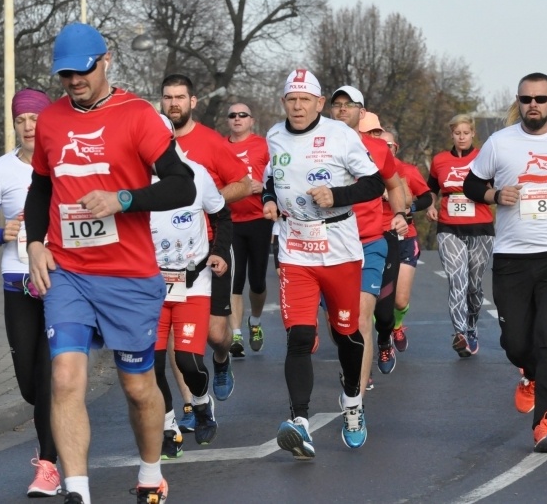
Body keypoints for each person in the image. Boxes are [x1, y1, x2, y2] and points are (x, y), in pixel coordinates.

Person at [24, 22, 196, 504]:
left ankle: (150, 473)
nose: (73, 81)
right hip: (69, 273)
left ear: (106, 61)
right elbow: (40, 187)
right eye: (65, 74)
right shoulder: (51, 120)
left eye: (82, 71)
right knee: (65, 377)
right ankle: (78, 491)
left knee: (138, 388)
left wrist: (123, 199)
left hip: (128, 276)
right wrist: (35, 243)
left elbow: (182, 184)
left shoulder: (138, 115)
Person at [463, 72, 547, 453]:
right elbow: (471, 185)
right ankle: (529, 372)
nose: (533, 105)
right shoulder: (500, 142)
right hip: (511, 256)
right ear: (519, 102)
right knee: (515, 342)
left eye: (541, 99)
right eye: (526, 99)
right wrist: (494, 195)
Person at [264, 69, 384, 459]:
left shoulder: (341, 135)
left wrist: (337, 194)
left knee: (346, 333)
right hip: (295, 250)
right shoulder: (274, 135)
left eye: (305, 100)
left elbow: (375, 183)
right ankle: (299, 422)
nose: (298, 107)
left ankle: (352, 402)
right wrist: (269, 199)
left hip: (339, 250)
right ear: (284, 102)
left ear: (318, 103)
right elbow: (271, 177)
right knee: (299, 337)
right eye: (291, 100)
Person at [0, 88, 61, 497]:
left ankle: (49, 464)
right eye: (21, 120)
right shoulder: (1, 170)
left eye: (34, 119)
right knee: (29, 383)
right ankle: (59, 424)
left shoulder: (62, 164)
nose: (28, 126)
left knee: (47, 377)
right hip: (17, 283)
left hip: (57, 281)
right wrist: (0, 232)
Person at [159, 74, 250, 435]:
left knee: (215, 333)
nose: (174, 103)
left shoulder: (211, 142)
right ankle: (190, 404)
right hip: (168, 261)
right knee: (173, 335)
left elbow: (244, 183)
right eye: (168, 97)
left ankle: (222, 358)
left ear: (192, 102)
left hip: (211, 250)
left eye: (180, 97)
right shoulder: (151, 144)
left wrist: (202, 200)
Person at [151, 146, 232, 458]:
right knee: (152, 365)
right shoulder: (131, 179)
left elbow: (222, 215)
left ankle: (201, 402)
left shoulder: (196, 173)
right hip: (150, 287)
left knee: (188, 361)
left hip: (193, 282)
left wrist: (220, 251)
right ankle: (168, 426)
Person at [331, 87, 407, 388]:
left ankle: (356, 399)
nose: (342, 109)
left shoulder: (377, 148)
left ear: (361, 112)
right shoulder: (316, 147)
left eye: (348, 105)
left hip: (370, 242)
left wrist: (399, 214)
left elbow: (395, 185)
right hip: (330, 246)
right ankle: (352, 365)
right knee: (339, 325)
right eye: (336, 104)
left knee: (363, 319)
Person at [426, 114, 495, 357]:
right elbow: (431, 189)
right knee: (457, 279)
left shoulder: (484, 158)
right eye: (457, 133)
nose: (462, 137)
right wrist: (430, 205)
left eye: (466, 133)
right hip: (449, 227)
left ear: (473, 133)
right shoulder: (440, 160)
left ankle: (472, 325)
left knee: (474, 286)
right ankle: (460, 333)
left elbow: (496, 187)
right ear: (452, 135)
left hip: (481, 228)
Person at [380, 127, 433, 351]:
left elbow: (427, 197)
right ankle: (383, 334)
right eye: (380, 144)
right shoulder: (364, 171)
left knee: (400, 300)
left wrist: (407, 207)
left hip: (405, 237)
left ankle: (397, 325)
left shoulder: (407, 170)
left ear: (396, 148)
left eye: (389, 145)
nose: (385, 149)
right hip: (375, 238)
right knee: (377, 299)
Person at [225, 103, 271, 355]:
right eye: (232, 115)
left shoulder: (264, 146)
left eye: (243, 115)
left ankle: (255, 320)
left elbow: (279, 178)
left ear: (251, 120)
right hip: (231, 222)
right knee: (234, 279)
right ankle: (236, 336)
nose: (237, 118)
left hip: (259, 220)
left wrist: (263, 187)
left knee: (257, 281)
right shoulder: (220, 147)